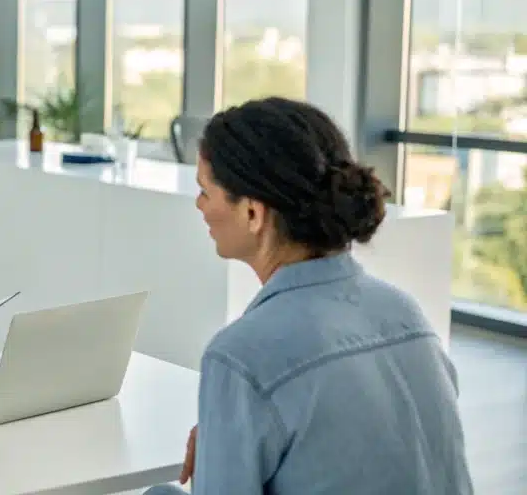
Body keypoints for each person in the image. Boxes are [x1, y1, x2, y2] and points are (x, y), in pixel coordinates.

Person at [145, 97, 473, 494]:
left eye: (204, 192)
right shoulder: (406, 314)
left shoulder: (241, 354)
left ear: (253, 213)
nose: (199, 206)